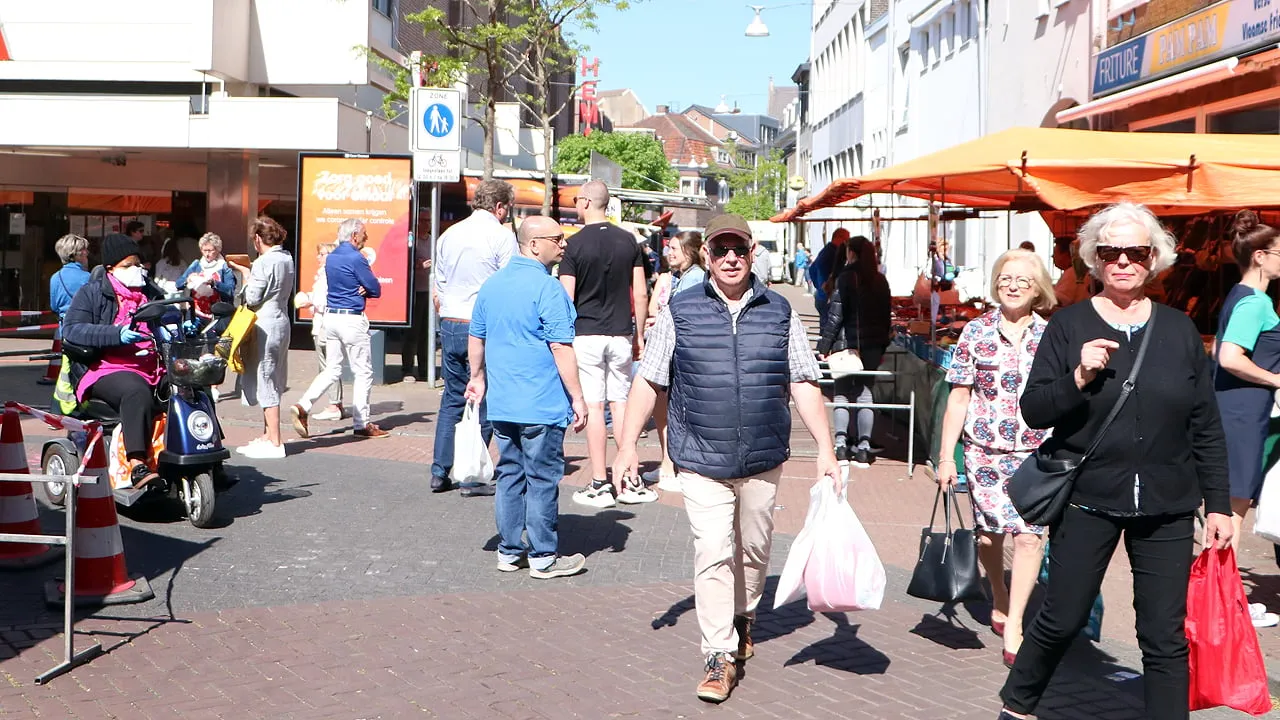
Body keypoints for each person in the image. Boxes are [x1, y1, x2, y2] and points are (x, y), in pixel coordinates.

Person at [998, 202, 1233, 720]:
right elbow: (1034, 410)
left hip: (1169, 505)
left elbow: (1205, 424)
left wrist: (1219, 505)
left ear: (1155, 259)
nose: (1123, 261)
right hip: (1088, 499)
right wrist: (1078, 378)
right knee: (1062, 617)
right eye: (1110, 251)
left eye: (1136, 251)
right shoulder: (1067, 326)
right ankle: (1016, 707)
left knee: (1163, 635)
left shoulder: (1179, 331)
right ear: (1094, 258)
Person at [613, 213, 839, 704]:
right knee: (713, 551)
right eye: (721, 251)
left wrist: (826, 448)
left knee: (754, 551)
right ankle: (718, 653)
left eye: (739, 249)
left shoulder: (780, 311)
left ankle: (744, 615)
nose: (731, 258)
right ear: (707, 257)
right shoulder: (680, 309)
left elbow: (802, 379)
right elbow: (649, 379)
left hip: (762, 457)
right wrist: (627, 445)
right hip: (699, 455)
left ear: (752, 252)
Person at [934, 248, 1056, 669]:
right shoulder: (975, 332)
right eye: (1006, 277)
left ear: (1038, 286)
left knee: (1029, 536)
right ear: (995, 282)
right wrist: (947, 457)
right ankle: (999, 594)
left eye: (1023, 279)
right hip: (983, 452)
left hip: (1036, 452)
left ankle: (1017, 622)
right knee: (989, 536)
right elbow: (959, 395)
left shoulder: (1052, 336)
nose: (1013, 285)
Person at [464, 215, 589, 579]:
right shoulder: (548, 289)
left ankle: (508, 551)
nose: (563, 244)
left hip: (503, 402)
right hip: (541, 403)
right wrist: (578, 398)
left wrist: (478, 377)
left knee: (509, 475)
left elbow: (477, 338)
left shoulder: (493, 285)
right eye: (558, 238)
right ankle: (543, 557)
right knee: (541, 478)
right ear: (535, 244)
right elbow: (561, 347)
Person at [559, 179, 652, 508]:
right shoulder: (629, 241)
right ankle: (629, 479)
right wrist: (638, 334)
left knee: (595, 407)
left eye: (575, 199)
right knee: (622, 404)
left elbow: (565, 297)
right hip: (621, 334)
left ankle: (600, 483)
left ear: (585, 202)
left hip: (586, 334)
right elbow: (640, 293)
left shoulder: (574, 245)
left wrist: (563, 338)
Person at [1213, 210, 1280, 628]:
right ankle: (1226, 608)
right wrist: (1276, 378)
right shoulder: (1256, 302)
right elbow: (1228, 355)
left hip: (1236, 412)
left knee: (1228, 511)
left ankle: (1225, 601)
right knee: (1231, 515)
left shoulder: (1240, 295)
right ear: (1259, 256)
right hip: (1242, 416)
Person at [428, 180, 516, 494]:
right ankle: (470, 473)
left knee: (451, 398)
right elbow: (510, 284)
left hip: (450, 322)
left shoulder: (449, 234)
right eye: (508, 210)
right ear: (500, 207)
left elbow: (439, 282)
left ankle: (440, 471)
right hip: (482, 325)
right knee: (485, 398)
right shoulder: (501, 237)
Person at [62, 233, 166, 488]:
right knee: (135, 391)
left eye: (138, 264)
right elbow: (72, 329)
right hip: (107, 368)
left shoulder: (149, 291)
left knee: (192, 388)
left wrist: (185, 323)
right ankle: (137, 463)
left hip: (152, 364)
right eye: (128, 265)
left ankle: (207, 459)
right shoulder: (92, 292)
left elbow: (170, 313)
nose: (136, 270)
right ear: (111, 268)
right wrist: (116, 333)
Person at [290, 218, 388, 443]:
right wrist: (363, 288)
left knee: (332, 369)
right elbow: (375, 288)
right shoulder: (357, 258)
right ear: (354, 236)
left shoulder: (332, 258)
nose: (366, 237)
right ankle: (361, 423)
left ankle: (303, 405)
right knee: (363, 372)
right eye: (363, 233)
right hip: (352, 318)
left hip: (331, 318)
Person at [816, 235, 892, 467]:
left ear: (852, 253)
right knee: (865, 392)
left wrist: (824, 346)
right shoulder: (880, 280)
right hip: (872, 346)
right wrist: (881, 344)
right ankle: (864, 446)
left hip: (846, 345)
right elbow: (886, 317)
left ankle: (841, 445)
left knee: (841, 392)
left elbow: (835, 316)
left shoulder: (846, 278)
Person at [641, 230, 706, 491]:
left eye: (675, 249)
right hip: (675, 351)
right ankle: (670, 463)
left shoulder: (694, 279)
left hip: (683, 354)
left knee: (669, 407)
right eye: (669, 248)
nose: (669, 253)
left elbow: (686, 317)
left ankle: (677, 466)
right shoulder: (679, 277)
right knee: (664, 406)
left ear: (690, 253)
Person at [237, 217, 296, 459]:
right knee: (274, 374)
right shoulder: (287, 259)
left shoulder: (263, 263)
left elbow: (252, 298)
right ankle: (266, 435)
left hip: (264, 323)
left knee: (264, 377)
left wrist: (245, 274)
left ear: (259, 238)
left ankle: (275, 442)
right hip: (282, 320)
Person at [295, 242, 345, 422]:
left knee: (328, 367)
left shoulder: (327, 275)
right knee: (328, 366)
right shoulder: (324, 274)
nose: (318, 257)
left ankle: (334, 405)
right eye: (319, 253)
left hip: (324, 325)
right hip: (322, 323)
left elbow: (324, 301)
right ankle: (336, 404)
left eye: (322, 254)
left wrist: (308, 300)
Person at [48, 235, 92, 386]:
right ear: (76, 254)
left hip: (65, 329)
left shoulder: (55, 278)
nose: (87, 253)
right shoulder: (89, 277)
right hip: (87, 329)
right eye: (84, 250)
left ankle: (64, 402)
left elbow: (54, 306)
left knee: (67, 368)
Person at [177, 233, 237, 334]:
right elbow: (178, 284)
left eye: (210, 250)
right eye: (204, 250)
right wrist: (188, 279)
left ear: (218, 250)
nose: (207, 254)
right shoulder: (196, 264)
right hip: (196, 313)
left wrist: (214, 283)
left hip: (218, 315)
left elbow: (230, 290)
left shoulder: (224, 267)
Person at [402, 231, 433, 382]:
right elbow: (403, 262)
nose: (426, 224)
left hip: (429, 291)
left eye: (428, 220)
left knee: (426, 334)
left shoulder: (433, 240)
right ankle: (407, 368)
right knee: (412, 333)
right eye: (423, 220)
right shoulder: (412, 241)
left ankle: (424, 370)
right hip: (414, 291)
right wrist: (417, 265)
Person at [808, 228, 848, 319]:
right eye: (846, 240)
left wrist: (819, 287)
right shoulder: (832, 252)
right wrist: (823, 286)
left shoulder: (827, 250)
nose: (846, 243)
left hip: (823, 297)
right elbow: (814, 270)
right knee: (828, 326)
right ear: (838, 238)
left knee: (825, 326)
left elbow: (812, 269)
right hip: (827, 298)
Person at [1053, 238, 1095, 308]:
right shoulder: (1076, 271)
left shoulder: (1072, 273)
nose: (1053, 257)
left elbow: (1061, 300)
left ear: (1066, 255)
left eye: (1054, 254)